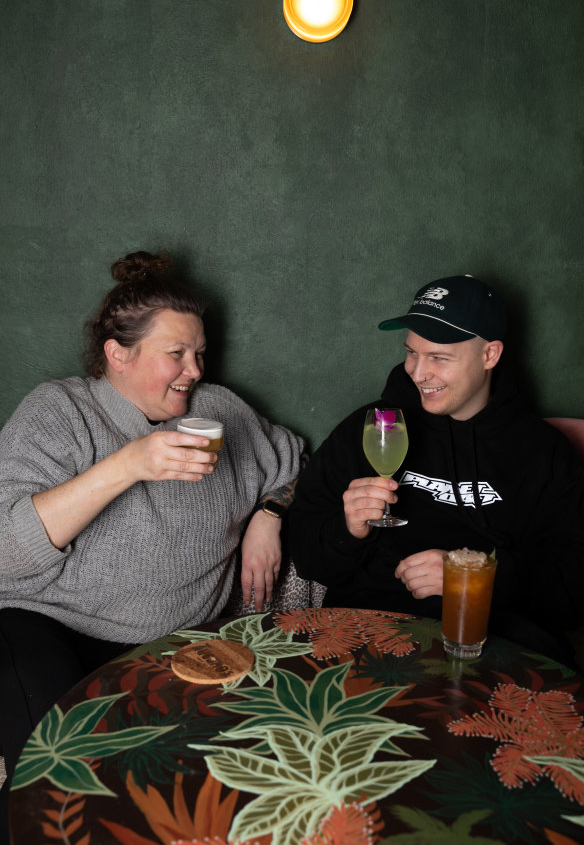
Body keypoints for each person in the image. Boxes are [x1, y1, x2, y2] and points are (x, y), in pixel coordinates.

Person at [0, 251, 304, 840]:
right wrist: (128, 464)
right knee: (55, 766)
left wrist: (269, 513)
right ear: (119, 355)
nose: (193, 369)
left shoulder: (218, 411)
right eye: (176, 354)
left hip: (168, 651)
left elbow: (294, 464)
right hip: (48, 627)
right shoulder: (59, 411)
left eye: (199, 353)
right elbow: (6, 549)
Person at [289, 274, 584, 666]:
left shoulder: (543, 452)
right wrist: (347, 530)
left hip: (493, 641)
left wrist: (473, 579)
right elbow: (310, 557)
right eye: (411, 352)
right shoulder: (376, 427)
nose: (417, 372)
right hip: (368, 630)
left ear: (489, 355)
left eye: (439, 358)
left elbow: (573, 588)